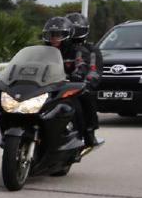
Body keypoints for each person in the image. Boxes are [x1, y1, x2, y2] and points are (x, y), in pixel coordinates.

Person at [41, 15, 103, 147]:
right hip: (47, 86)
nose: (54, 38)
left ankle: (88, 131)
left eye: (58, 35)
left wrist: (79, 76)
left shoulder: (78, 51)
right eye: (51, 35)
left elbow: (84, 67)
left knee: (84, 96)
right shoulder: (43, 52)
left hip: (68, 86)